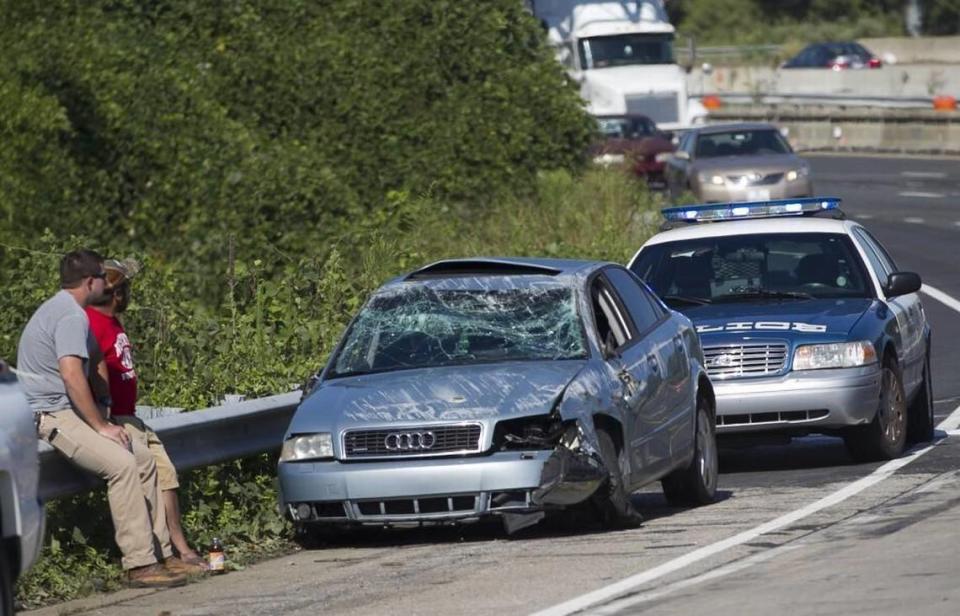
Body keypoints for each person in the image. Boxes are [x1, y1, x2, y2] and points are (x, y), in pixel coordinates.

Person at [15, 249, 199, 588]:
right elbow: (71, 374)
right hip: (51, 414)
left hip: (70, 410)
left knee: (143, 459)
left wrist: (103, 401)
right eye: (102, 276)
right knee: (123, 464)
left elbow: (96, 358)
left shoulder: (74, 312)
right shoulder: (69, 315)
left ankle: (163, 554)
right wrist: (101, 425)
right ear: (89, 282)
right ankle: (139, 564)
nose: (108, 281)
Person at [86, 257, 207, 568]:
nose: (130, 294)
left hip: (132, 415)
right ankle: (165, 553)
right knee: (153, 477)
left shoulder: (111, 321)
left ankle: (178, 548)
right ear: (116, 293)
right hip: (117, 419)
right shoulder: (91, 324)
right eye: (127, 288)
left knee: (166, 476)